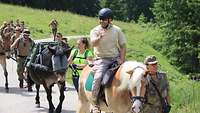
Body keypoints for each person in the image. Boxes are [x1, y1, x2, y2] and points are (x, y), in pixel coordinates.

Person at [90, 8, 127, 113]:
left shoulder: (117, 30)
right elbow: (93, 44)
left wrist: (122, 59)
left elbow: (123, 46)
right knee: (98, 78)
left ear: (110, 20)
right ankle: (95, 104)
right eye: (100, 19)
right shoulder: (95, 30)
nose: (102, 21)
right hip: (102, 59)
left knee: (130, 74)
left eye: (104, 19)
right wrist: (99, 37)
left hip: (115, 58)